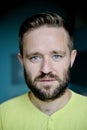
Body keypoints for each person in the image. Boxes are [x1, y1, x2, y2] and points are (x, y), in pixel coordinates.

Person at [0, 12, 87, 130]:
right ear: (22, 61)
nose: (46, 69)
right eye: (35, 58)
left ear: (72, 59)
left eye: (56, 56)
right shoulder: (3, 116)